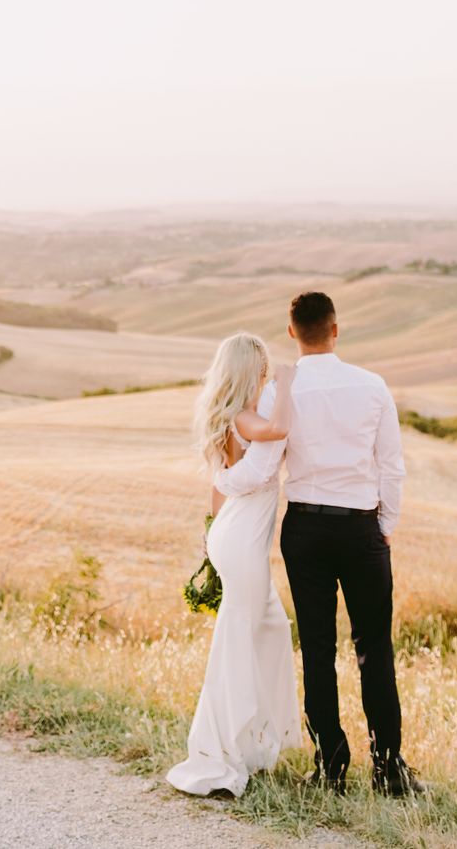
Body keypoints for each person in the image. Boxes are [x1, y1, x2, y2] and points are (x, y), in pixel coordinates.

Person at [213, 291, 419, 796]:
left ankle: (330, 766)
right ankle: (389, 768)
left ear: (291, 333)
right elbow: (391, 464)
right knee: (375, 649)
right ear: (336, 328)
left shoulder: (276, 395)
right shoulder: (372, 386)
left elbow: (262, 469)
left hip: (305, 529)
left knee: (319, 651)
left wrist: (218, 477)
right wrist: (384, 523)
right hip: (361, 528)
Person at [164, 333, 302, 797]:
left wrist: (209, 531)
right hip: (242, 539)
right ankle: (220, 752)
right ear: (251, 370)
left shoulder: (228, 416)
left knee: (266, 628)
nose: (266, 374)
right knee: (239, 637)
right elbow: (280, 430)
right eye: (262, 368)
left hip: (232, 533)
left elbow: (218, 484)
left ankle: (248, 741)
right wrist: (285, 383)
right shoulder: (246, 417)